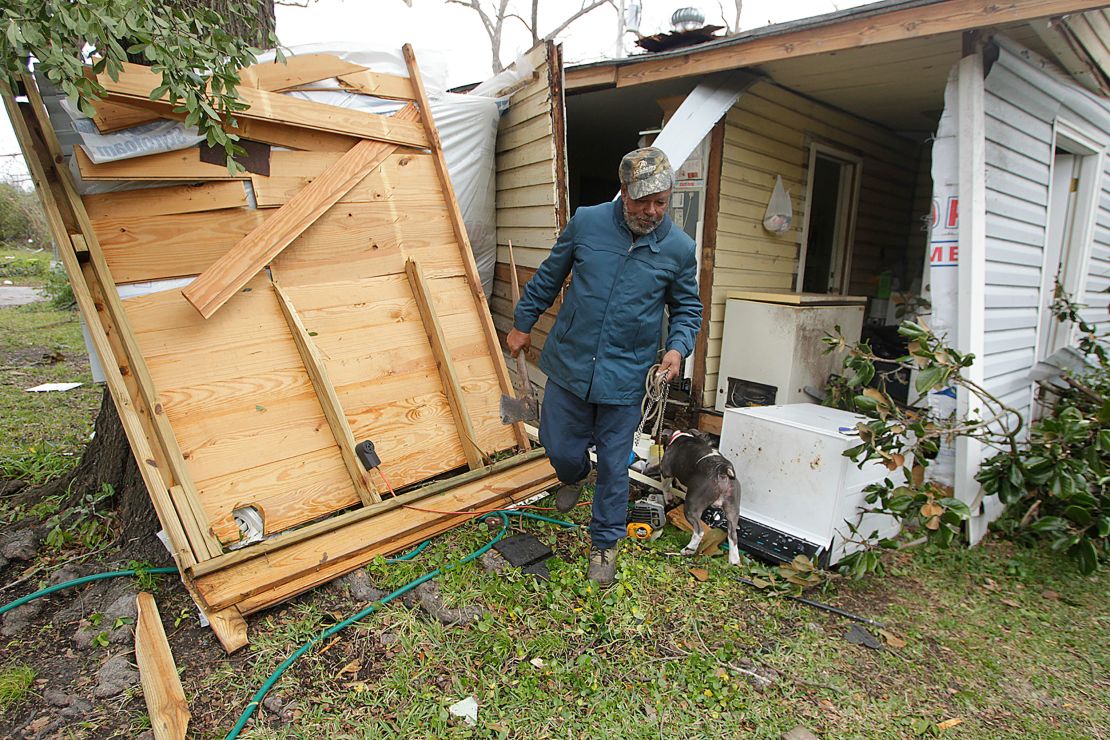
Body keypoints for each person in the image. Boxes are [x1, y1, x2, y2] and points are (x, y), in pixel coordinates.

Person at [506, 146, 702, 587]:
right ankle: (572, 475)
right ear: (623, 192)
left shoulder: (678, 247)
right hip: (572, 361)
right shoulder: (588, 222)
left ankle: (605, 544)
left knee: (615, 465)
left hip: (627, 374)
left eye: (661, 202)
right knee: (558, 445)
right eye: (643, 201)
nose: (652, 212)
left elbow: (688, 308)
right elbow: (549, 276)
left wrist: (677, 348)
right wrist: (522, 323)